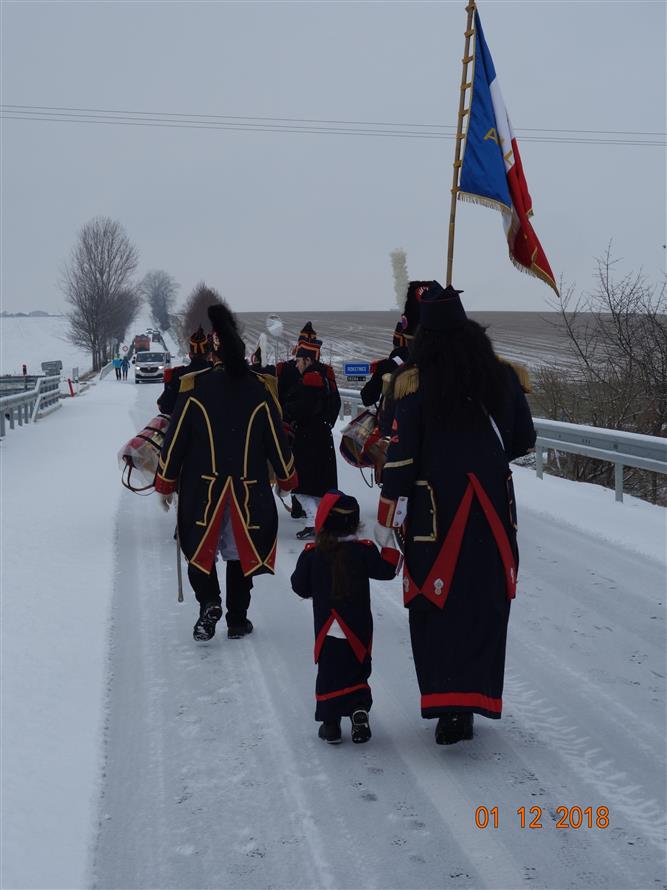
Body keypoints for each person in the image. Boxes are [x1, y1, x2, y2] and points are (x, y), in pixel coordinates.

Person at [376, 281, 536, 745]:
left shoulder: (412, 383)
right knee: (483, 604)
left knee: (436, 606)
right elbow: (522, 440)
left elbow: (401, 459)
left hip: (435, 515)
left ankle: (449, 708)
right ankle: (471, 701)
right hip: (492, 511)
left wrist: (388, 516)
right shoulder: (503, 377)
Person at [155, 296, 297, 642]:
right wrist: (286, 476)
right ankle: (236, 619)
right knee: (239, 554)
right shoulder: (259, 389)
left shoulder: (194, 387)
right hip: (247, 489)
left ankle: (209, 602)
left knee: (197, 549)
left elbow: (176, 440)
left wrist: (166, 481)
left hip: (203, 489)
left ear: (212, 353)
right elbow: (276, 439)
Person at [291, 490, 400, 744]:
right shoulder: (364, 551)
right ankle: (359, 711)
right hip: (358, 627)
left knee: (329, 674)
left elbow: (299, 586)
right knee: (357, 670)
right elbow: (388, 570)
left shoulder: (312, 554)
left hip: (327, 629)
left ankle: (330, 724)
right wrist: (388, 544)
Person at [282, 337, 341, 539]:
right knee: (317, 487)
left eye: (299, 361)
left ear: (308, 360)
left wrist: (285, 412)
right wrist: (326, 424)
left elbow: (303, 408)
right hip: (321, 437)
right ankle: (318, 521)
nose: (296, 364)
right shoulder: (325, 375)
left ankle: (313, 522)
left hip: (309, 440)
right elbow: (335, 405)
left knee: (299, 484)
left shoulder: (311, 378)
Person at [157, 327, 211, 416]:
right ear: (209, 355)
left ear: (190, 355)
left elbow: (165, 407)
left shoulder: (176, 375)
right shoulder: (217, 374)